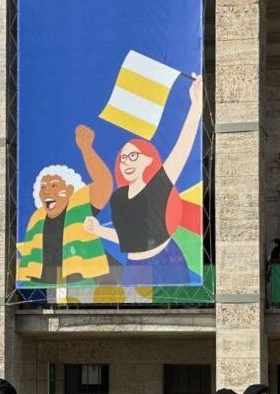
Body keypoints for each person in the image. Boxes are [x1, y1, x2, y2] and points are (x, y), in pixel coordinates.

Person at [83, 75, 203, 286]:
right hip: (135, 266)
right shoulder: (118, 198)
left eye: (133, 156)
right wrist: (98, 230)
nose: (126, 162)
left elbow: (181, 149)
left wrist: (195, 107)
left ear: (148, 160)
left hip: (167, 261)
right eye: (123, 158)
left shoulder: (157, 186)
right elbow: (128, 239)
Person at [16, 125, 112, 285]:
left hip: (79, 285)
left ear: (69, 190)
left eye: (54, 186)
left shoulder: (80, 205)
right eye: (43, 188)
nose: (47, 191)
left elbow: (104, 183)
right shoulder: (36, 219)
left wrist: (86, 149)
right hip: (39, 287)